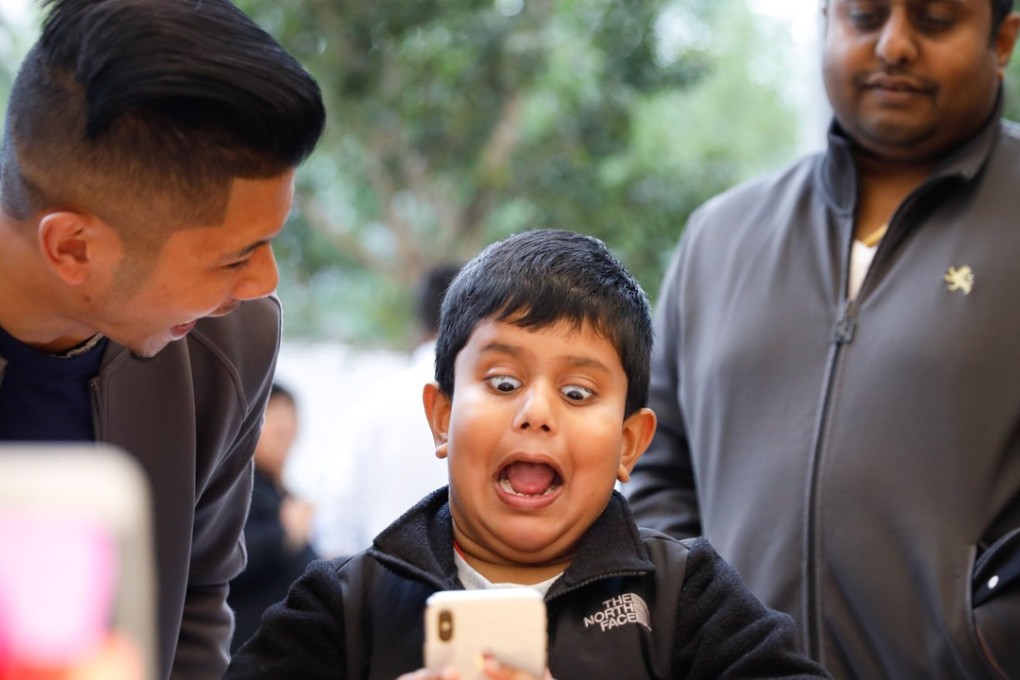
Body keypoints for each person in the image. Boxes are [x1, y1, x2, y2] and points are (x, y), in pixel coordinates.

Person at [224, 229, 828, 679]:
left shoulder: (684, 596)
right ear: (441, 417)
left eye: (577, 392)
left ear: (629, 443)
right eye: (504, 383)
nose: (536, 412)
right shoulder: (345, 603)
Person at [624, 1, 1020, 677]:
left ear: (1002, 38)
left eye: (934, 19)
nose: (894, 45)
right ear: (827, 23)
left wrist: (988, 641)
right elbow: (653, 470)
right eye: (865, 16)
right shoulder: (721, 236)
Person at [0, 0, 324, 677]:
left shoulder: (234, 341)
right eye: (235, 256)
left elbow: (199, 594)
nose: (263, 284)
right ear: (73, 247)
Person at [313, 263, 462, 558]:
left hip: (379, 585)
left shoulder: (372, 406)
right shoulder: (503, 406)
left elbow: (335, 530)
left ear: (419, 325)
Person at [228, 383, 319, 653]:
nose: (283, 428)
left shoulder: (286, 495)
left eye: (289, 417)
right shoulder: (237, 490)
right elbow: (228, 559)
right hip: (247, 652)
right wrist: (284, 533)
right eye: (273, 417)